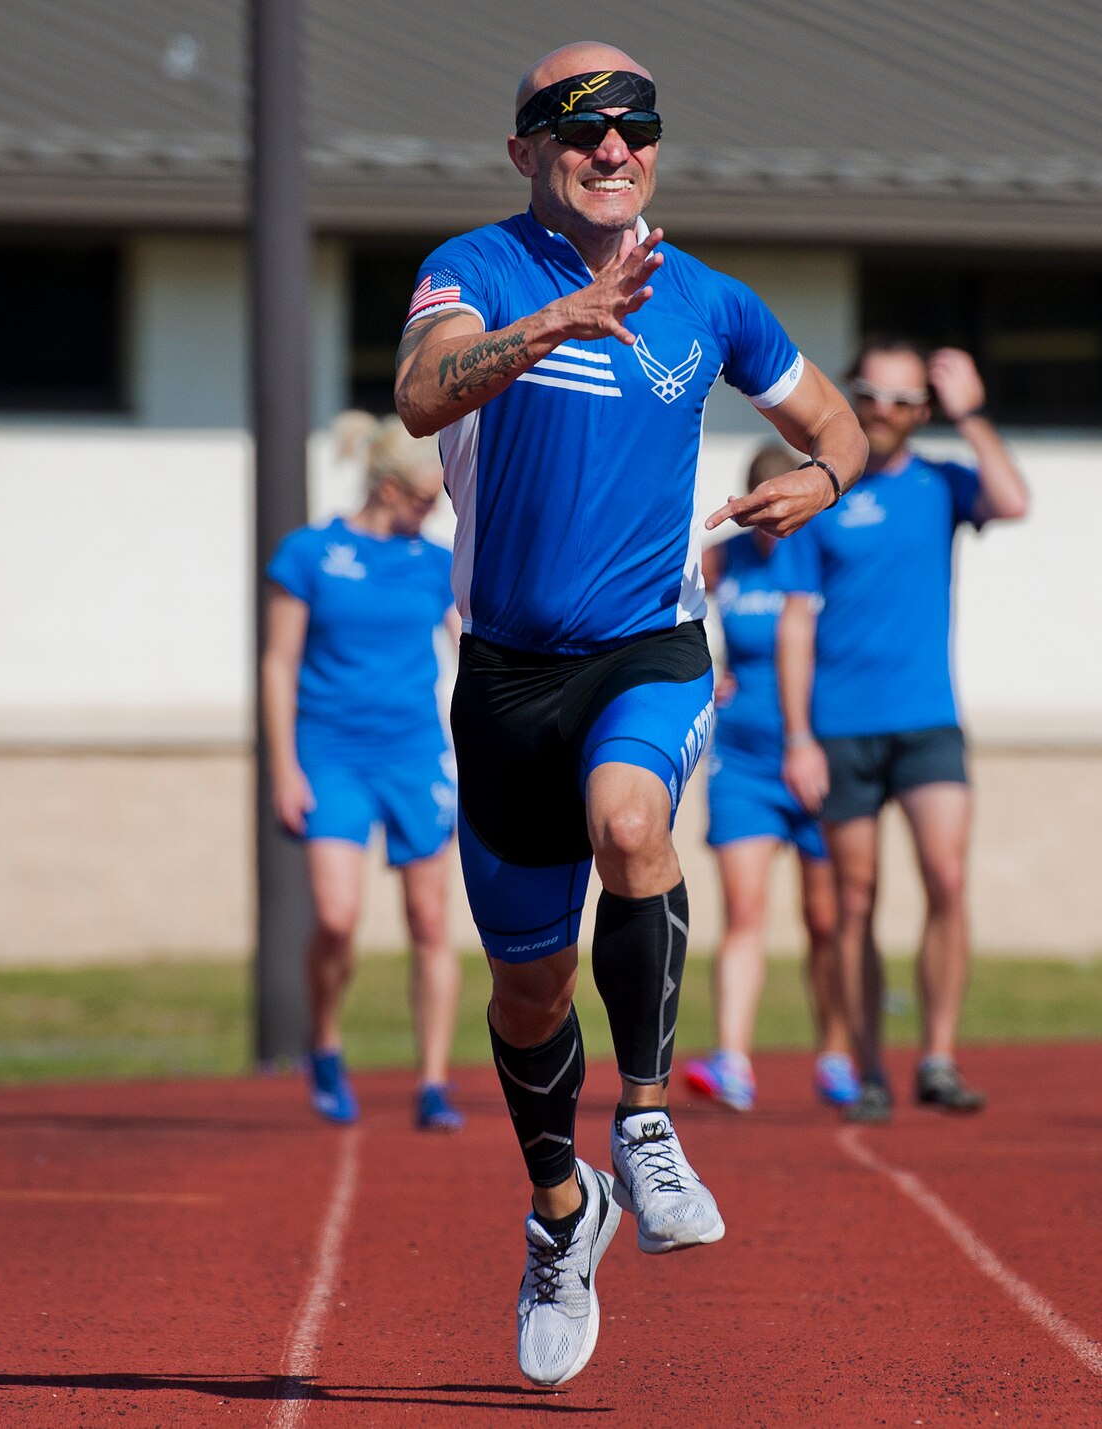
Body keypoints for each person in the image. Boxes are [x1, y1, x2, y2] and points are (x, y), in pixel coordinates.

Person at [393, 41, 863, 1387]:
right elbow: (424, 395)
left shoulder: (708, 300)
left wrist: (815, 487)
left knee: (630, 821)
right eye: (580, 130)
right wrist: (558, 321)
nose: (613, 152)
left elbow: (843, 431)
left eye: (635, 130)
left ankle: (648, 1125)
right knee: (530, 986)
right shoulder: (474, 269)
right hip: (504, 682)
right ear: (527, 149)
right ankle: (562, 1213)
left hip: (647, 649)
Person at [778, 340, 1030, 1124]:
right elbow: (795, 622)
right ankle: (868, 1069)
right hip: (842, 728)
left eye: (899, 400)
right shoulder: (824, 489)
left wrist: (973, 415)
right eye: (870, 396)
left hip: (927, 720)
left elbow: (1014, 501)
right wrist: (798, 737)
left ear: (921, 412)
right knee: (855, 901)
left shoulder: (943, 485)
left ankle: (940, 1057)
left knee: (947, 880)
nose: (882, 412)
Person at [261, 414, 464, 1132]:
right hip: (330, 755)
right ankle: (325, 1042)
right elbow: (279, 664)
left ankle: (434, 1081)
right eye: (422, 497)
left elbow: (473, 652)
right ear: (386, 486)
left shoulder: (436, 562)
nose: (434, 510)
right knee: (338, 917)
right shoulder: (311, 553)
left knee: (431, 919)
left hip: (415, 755)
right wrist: (284, 767)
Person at [681, 446, 857, 1113]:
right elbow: (676, 619)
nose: (770, 522)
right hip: (746, 760)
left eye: (779, 506)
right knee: (744, 910)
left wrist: (810, 736)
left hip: (820, 757)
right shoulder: (724, 559)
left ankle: (836, 1053)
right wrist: (704, 676)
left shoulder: (822, 555)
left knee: (825, 916)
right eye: (759, 506)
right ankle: (733, 1060)